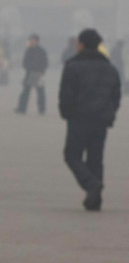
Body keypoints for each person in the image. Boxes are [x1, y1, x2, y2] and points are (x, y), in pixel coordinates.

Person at [58, 28, 122, 211]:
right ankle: (95, 199)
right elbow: (115, 96)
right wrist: (110, 113)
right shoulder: (110, 69)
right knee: (95, 159)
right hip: (101, 120)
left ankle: (92, 184)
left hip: (79, 119)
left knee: (72, 155)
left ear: (81, 44)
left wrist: (66, 113)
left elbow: (66, 95)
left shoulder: (72, 67)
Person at [15, 34, 49, 115]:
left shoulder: (41, 51)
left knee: (40, 93)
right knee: (25, 92)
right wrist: (28, 68)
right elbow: (25, 62)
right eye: (30, 40)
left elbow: (45, 62)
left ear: (37, 41)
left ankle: (42, 110)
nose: (31, 42)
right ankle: (21, 109)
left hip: (39, 74)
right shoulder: (28, 50)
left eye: (33, 40)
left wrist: (41, 71)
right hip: (29, 73)